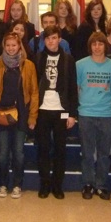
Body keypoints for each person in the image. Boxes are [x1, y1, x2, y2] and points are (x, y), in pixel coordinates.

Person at [0, 32, 38, 199]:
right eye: (7, 45)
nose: (10, 48)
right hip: (1, 114)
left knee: (18, 153)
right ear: (4, 46)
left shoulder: (29, 65)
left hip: (22, 114)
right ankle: (2, 184)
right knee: (2, 154)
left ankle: (17, 185)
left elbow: (34, 92)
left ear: (19, 46)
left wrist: (33, 117)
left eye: (13, 45)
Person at [35, 26, 77, 199]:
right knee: (43, 148)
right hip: (43, 109)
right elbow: (33, 85)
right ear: (44, 41)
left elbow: (72, 87)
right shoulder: (38, 58)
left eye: (54, 38)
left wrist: (72, 114)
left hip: (61, 109)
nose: (51, 41)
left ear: (60, 39)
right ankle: (45, 184)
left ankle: (57, 185)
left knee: (60, 149)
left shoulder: (68, 59)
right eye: (47, 38)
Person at [76, 32, 111, 200]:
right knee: (87, 152)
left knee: (104, 153)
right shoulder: (80, 65)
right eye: (94, 44)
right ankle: (88, 183)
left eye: (100, 44)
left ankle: (101, 185)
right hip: (86, 113)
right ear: (90, 46)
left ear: (105, 46)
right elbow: (77, 88)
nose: (97, 47)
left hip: (106, 114)